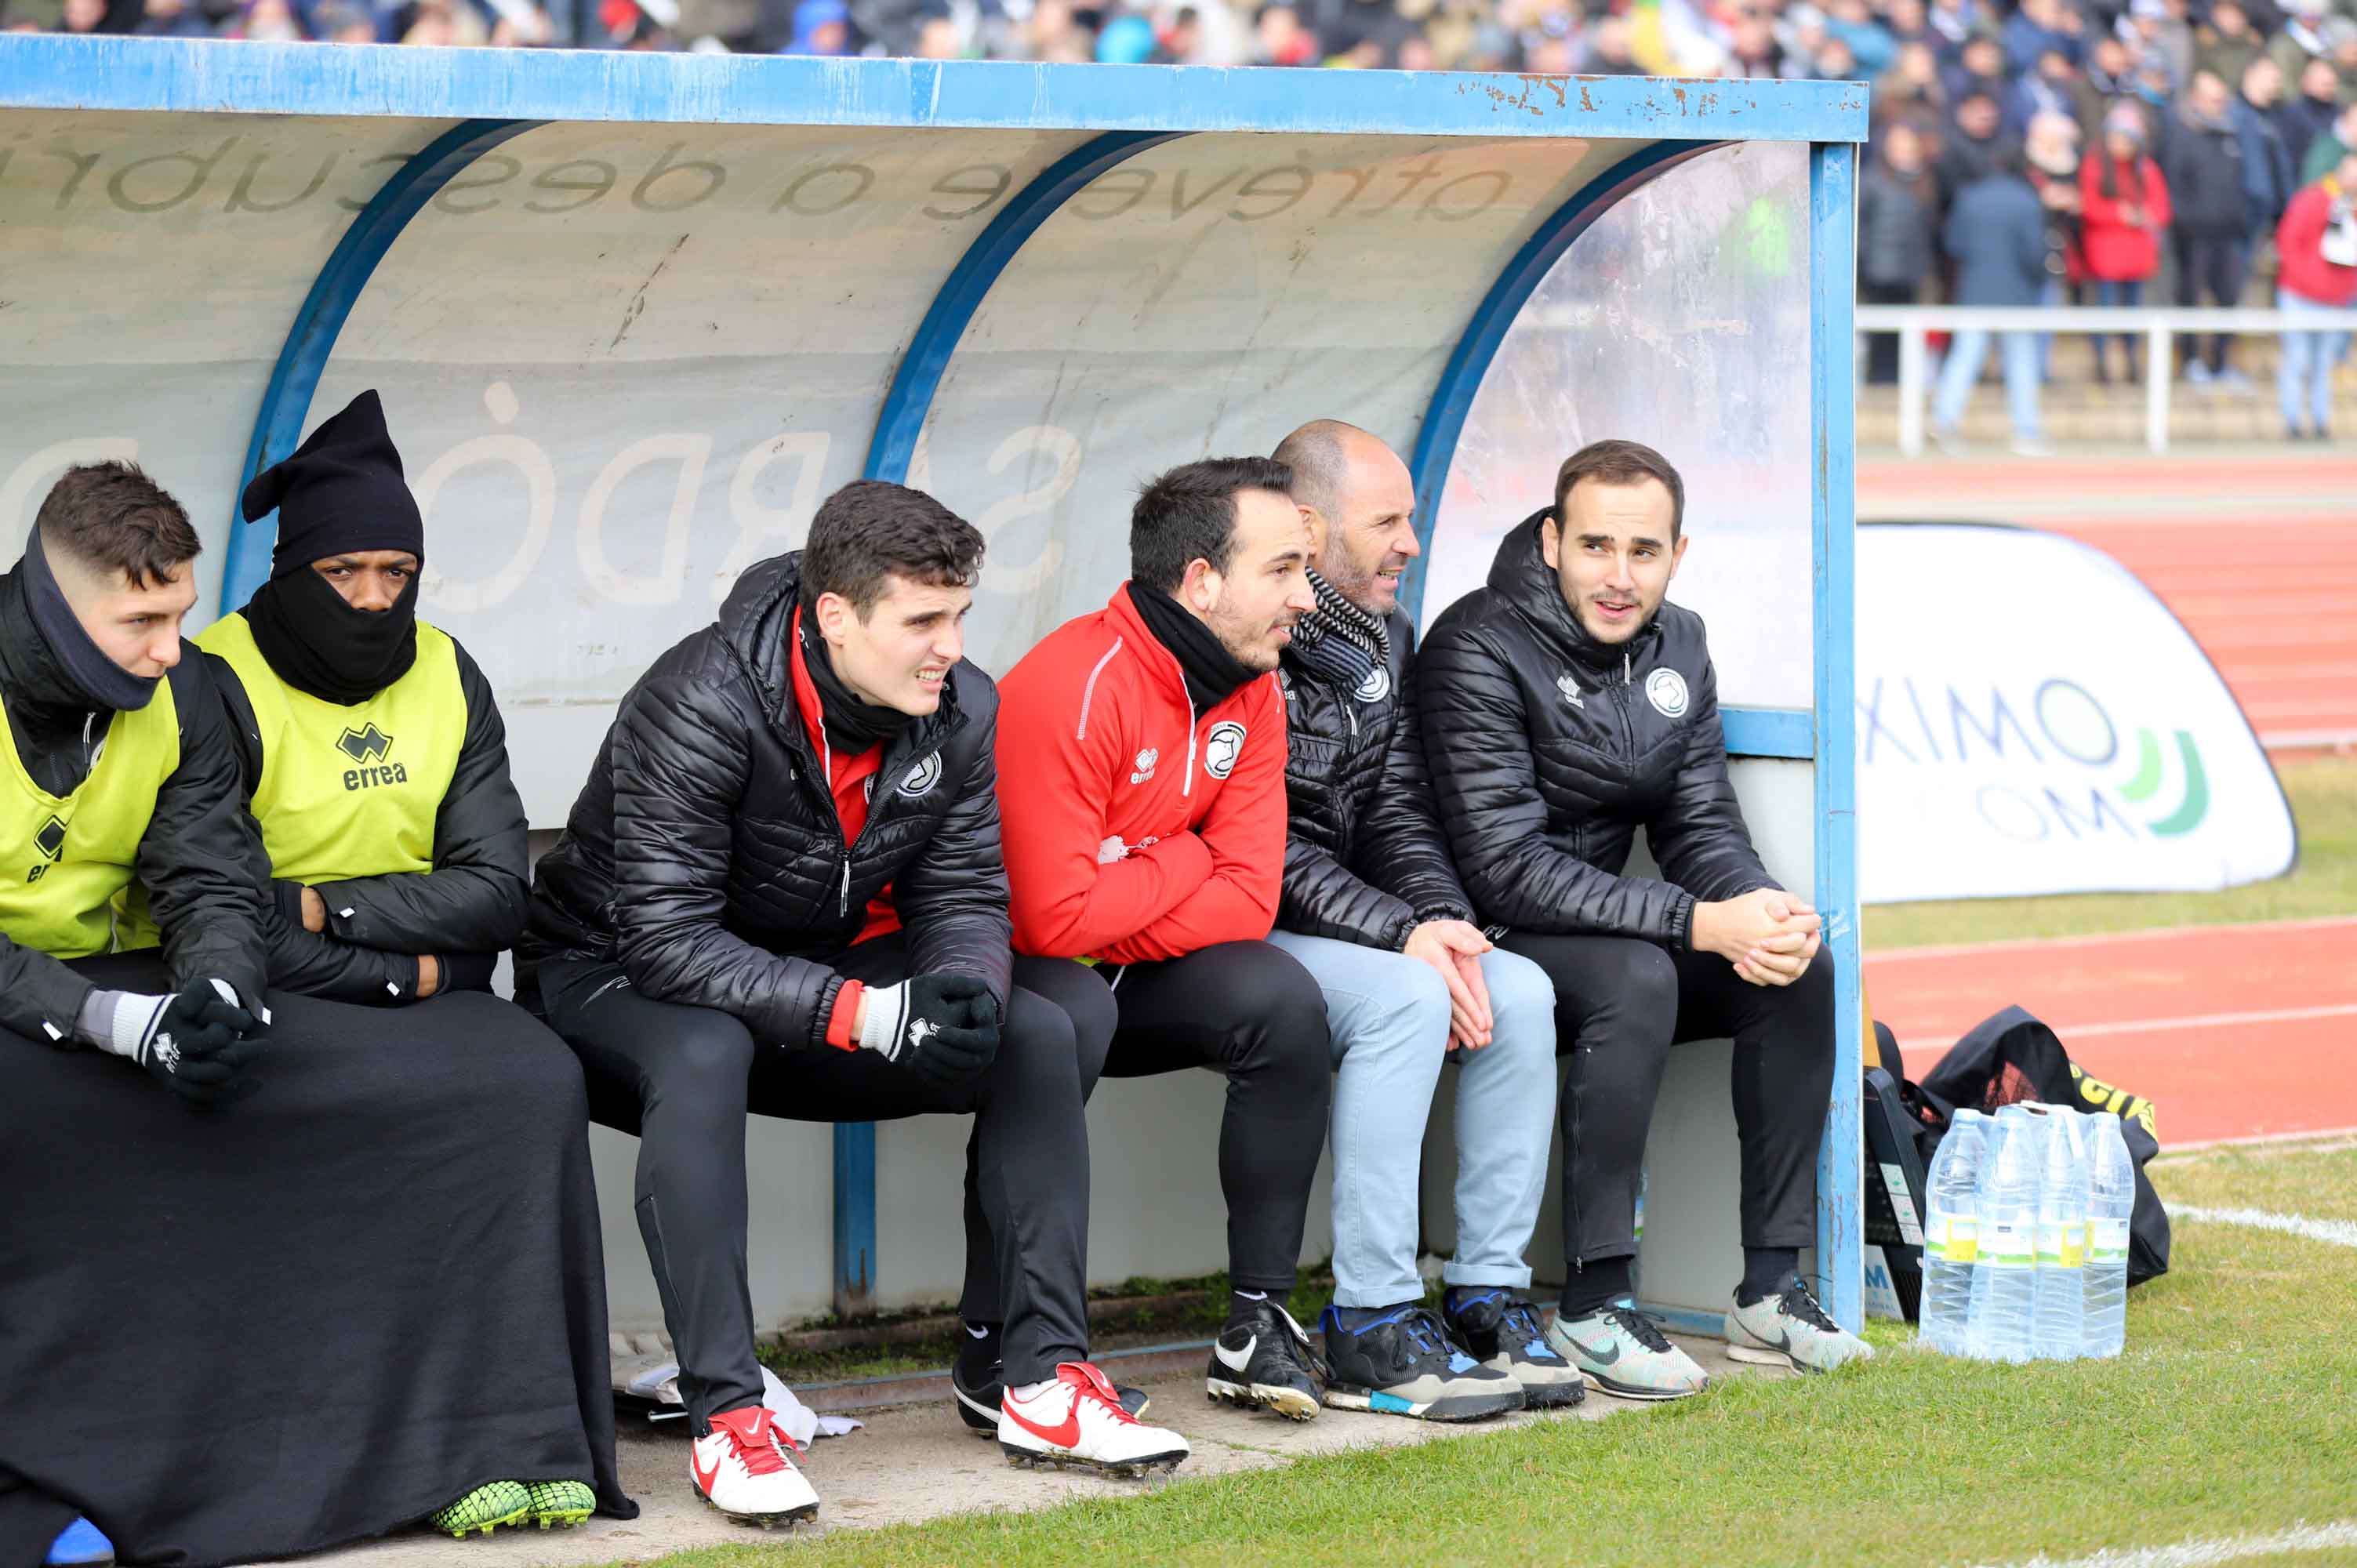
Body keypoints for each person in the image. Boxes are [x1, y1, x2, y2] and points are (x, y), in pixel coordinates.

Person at [523, 481, 1192, 1522]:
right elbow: (667, 940)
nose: (949, 646)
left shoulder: (958, 704)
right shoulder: (699, 697)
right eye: (921, 620)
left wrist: (958, 992)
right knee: (701, 1055)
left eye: (960, 615)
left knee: (1035, 1025)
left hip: (801, 975)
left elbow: (964, 890)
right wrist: (869, 1014)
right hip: (611, 973)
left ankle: (1039, 1378)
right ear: (834, 616)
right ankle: (727, 1419)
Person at [0, 462, 630, 1566]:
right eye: (138, 621)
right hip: (41, 1002)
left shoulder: (186, 690)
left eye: (179, 616)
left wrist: (217, 993)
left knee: (501, 1077)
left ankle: (475, 1441)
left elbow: (205, 874)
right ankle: (35, 1486)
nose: (166, 647)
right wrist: (111, 1024)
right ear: (52, 606)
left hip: (130, 982)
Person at [1417, 440, 1876, 1396]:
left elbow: (1699, 818)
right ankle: (1593, 1301)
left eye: (1643, 550)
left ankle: (1771, 1286)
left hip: (1621, 925)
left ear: (1679, 552)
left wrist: (1755, 908)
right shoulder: (1475, 643)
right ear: (1550, 542)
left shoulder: (1683, 641)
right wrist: (1695, 923)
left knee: (1800, 970)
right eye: (1594, 546)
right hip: (1483, 930)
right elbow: (1504, 867)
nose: (1619, 577)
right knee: (1641, 974)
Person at [993, 458, 1336, 1423]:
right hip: (1034, 972)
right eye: (1282, 571)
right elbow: (1049, 919)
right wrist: (1184, 856)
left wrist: (1135, 872)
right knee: (1060, 1015)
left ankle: (1256, 1325)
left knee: (1280, 998)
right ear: (1201, 581)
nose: (1304, 599)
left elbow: (1250, 895)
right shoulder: (1076, 682)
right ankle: (1010, 1354)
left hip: (1126, 961)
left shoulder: (1254, 687)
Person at [1259, 423, 1574, 1422]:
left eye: (1411, 517)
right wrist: (1402, 938)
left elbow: (1395, 806)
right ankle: (1370, 1316)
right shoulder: (1242, 633)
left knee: (1513, 986)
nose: (1412, 541)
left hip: (1346, 918)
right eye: (1387, 520)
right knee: (1406, 993)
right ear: (1307, 526)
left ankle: (1487, 1293)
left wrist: (1441, 920)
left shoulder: (1382, 635)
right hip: (1237, 921)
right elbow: (1258, 843)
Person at [1932, 145, 2056, 454]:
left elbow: (1954, 244)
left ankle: (1944, 421)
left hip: (1974, 292)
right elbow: (2034, 254)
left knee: (1964, 359)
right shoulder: (2027, 202)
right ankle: (2026, 431)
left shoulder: (1969, 198)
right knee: (2021, 364)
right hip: (2017, 295)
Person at [2167, 70, 2260, 385]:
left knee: (2229, 299)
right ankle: (2192, 361)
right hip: (2194, 236)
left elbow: (2242, 183)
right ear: (2195, 97)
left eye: (2221, 98)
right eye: (2211, 98)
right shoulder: (2182, 134)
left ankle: (2222, 363)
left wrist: (2240, 219)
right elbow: (2174, 185)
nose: (2218, 104)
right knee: (2191, 299)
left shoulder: (2231, 134)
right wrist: (2187, 223)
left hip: (2229, 233)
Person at [2079, 103, 2174, 382]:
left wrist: (2144, 216)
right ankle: (2102, 362)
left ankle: (2131, 359)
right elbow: (2090, 207)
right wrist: (2120, 215)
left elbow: (2162, 209)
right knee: (2105, 311)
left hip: (2136, 256)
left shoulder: (2147, 170)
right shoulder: (2095, 167)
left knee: (2133, 311)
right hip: (2106, 254)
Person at [2272, 151, 2357, 439]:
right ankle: (2292, 421)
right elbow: (2289, 242)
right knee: (2298, 360)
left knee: (2324, 364)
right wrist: (2306, 280)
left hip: (2336, 300)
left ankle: (2321, 422)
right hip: (2301, 296)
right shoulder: (2312, 200)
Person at [1859, 123, 1941, 384]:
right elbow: (1861, 225)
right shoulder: (1872, 179)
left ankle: (1901, 380)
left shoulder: (1926, 181)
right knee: (1880, 332)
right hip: (1878, 270)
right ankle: (1879, 379)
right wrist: (1864, 263)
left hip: (1912, 269)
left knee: (1907, 331)